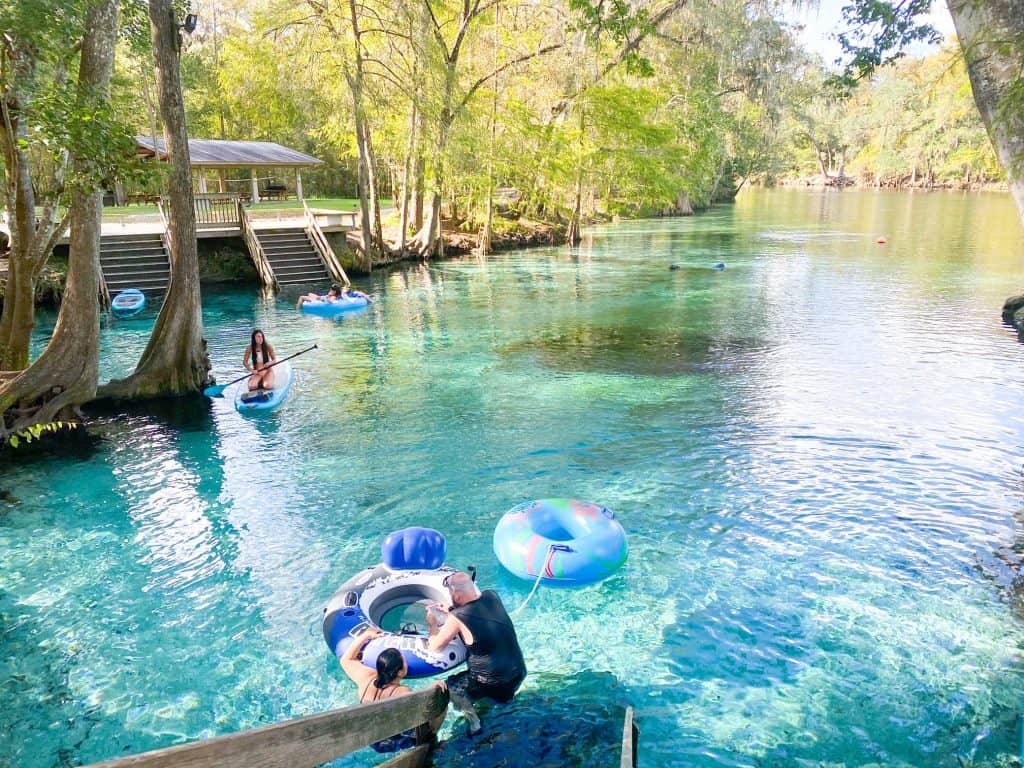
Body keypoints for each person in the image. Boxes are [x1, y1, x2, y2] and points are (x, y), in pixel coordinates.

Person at [427, 571, 526, 734]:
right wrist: (451, 609)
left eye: (451, 593)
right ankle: (505, 704)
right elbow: (476, 612)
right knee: (501, 699)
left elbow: (435, 646)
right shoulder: (492, 596)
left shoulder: (457, 617)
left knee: (450, 687)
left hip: (491, 682)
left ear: (457, 596)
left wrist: (432, 625)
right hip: (518, 673)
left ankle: (474, 723)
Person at [340, 627, 446, 753]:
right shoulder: (401, 692)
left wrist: (366, 636)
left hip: (374, 740)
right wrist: (433, 686)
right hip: (396, 740)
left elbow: (346, 659)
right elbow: (423, 704)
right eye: (405, 661)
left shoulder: (365, 678)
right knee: (441, 700)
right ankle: (433, 746)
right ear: (401, 672)